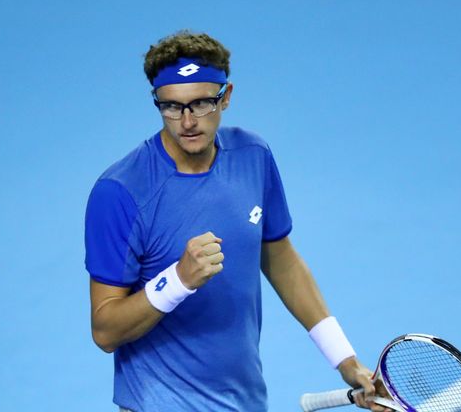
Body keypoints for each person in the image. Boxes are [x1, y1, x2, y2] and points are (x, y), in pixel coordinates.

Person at [85, 30, 387, 411]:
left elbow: (281, 261)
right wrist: (176, 281)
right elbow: (105, 330)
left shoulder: (252, 156)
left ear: (226, 97)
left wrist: (346, 361)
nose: (187, 121)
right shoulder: (120, 193)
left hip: (243, 399)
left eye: (201, 104)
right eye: (172, 107)